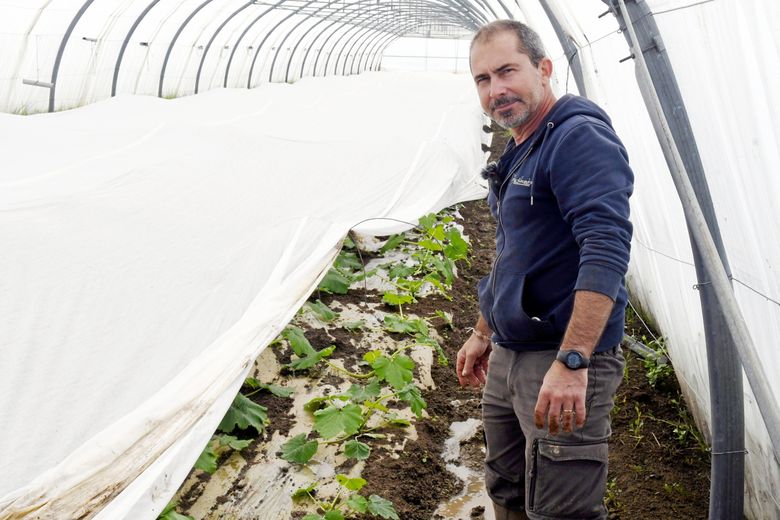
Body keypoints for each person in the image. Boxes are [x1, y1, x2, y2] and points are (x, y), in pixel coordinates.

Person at [456, 20, 634, 520]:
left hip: (560, 360)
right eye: (483, 79)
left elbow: (606, 250)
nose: (497, 90)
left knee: (561, 511)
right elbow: (515, 251)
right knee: (508, 489)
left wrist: (574, 361)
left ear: (544, 68)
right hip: (511, 354)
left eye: (508, 71)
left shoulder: (577, 139)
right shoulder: (521, 145)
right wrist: (483, 329)